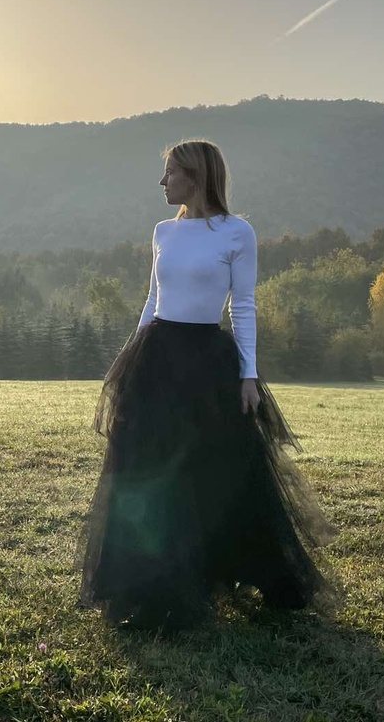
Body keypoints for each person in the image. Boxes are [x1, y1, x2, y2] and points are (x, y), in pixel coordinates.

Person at [74, 138, 344, 634]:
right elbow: (152, 298)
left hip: (209, 365)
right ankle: (148, 582)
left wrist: (248, 376)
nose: (162, 182)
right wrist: (127, 360)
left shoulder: (237, 233)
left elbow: (242, 307)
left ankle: (242, 572)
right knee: (150, 473)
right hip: (157, 358)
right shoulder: (162, 232)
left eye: (170, 173)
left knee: (220, 471)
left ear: (196, 177)